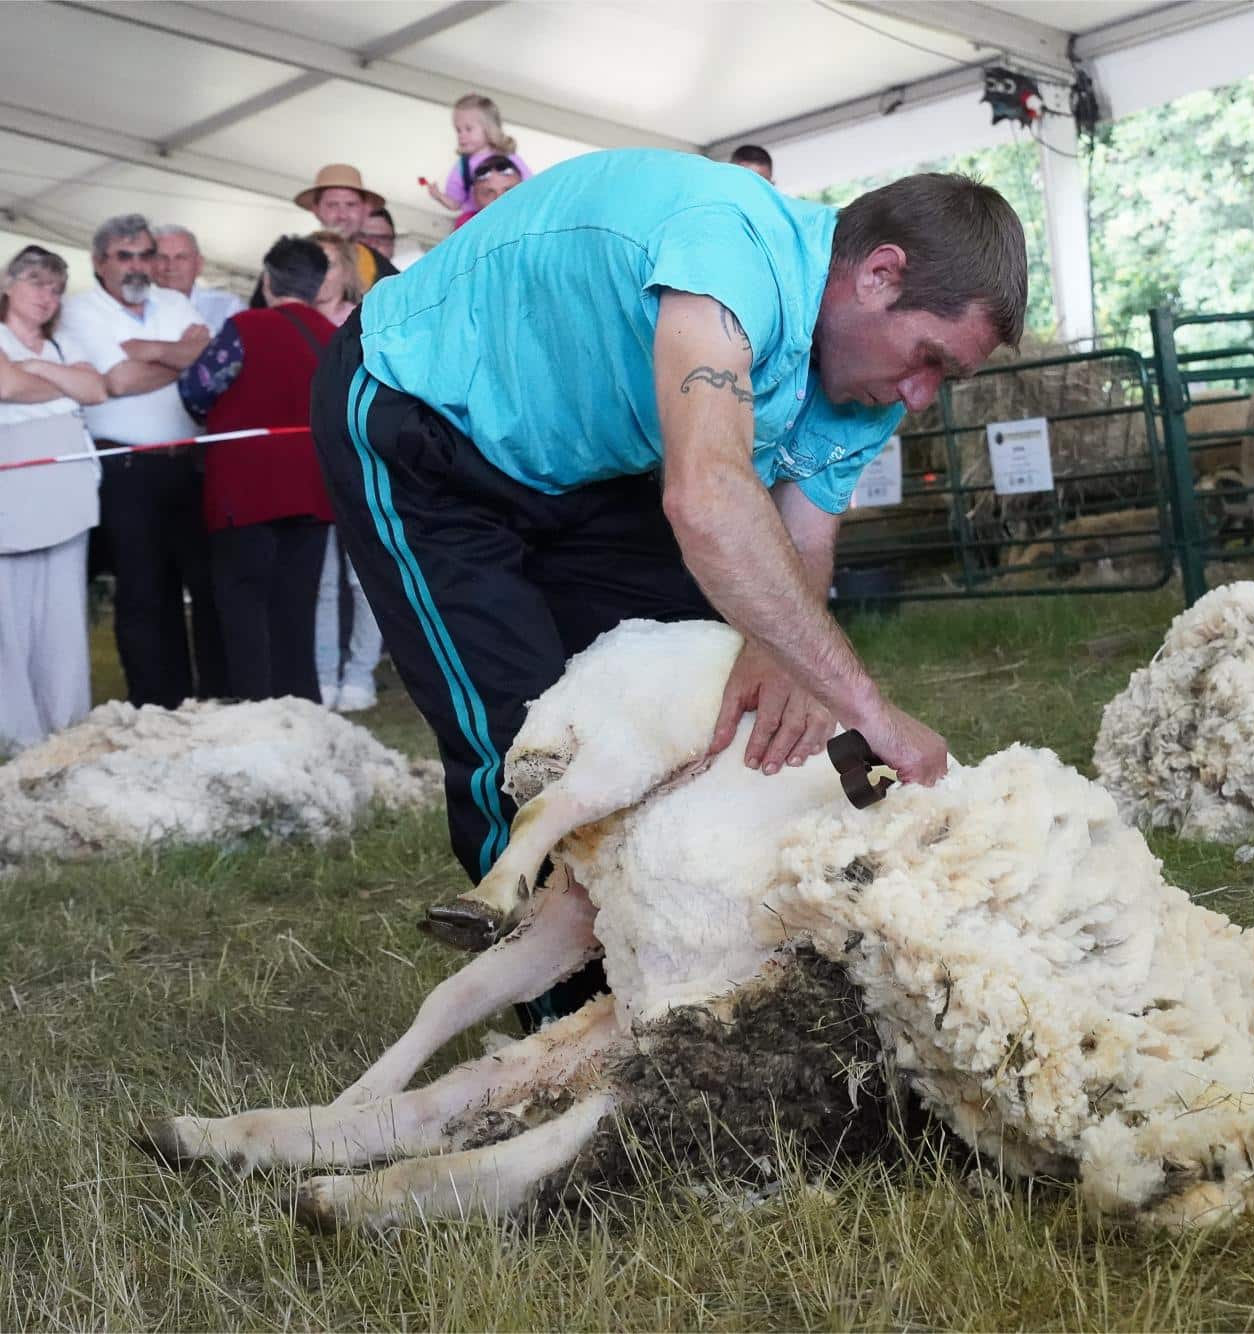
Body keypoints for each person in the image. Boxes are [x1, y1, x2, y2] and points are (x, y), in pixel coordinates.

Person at [308, 149, 1023, 1024]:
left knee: (682, 710)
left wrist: (778, 652)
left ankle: (676, 957)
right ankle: (566, 1023)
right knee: (526, 735)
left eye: (943, 378)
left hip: (592, 460)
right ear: (880, 275)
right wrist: (872, 715)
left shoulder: (863, 383)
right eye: (929, 360)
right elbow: (706, 494)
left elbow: (801, 538)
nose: (920, 398)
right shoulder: (731, 251)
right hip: (426, 418)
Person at [56, 213, 228, 709]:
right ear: (98, 262)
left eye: (144, 254)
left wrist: (149, 351)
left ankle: (217, 699)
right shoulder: (77, 311)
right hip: (125, 468)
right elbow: (116, 382)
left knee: (205, 585)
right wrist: (182, 355)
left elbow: (209, 355)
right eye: (123, 256)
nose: (137, 266)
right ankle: (157, 703)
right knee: (144, 590)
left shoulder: (173, 300)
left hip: (190, 463)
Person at [176, 238, 337, 702]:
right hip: (313, 489)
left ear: (266, 279)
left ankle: (253, 710)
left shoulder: (245, 327)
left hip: (245, 491)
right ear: (319, 285)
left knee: (244, 605)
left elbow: (196, 393)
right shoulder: (332, 337)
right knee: (296, 608)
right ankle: (301, 710)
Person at [0, 246, 107, 751]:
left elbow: (96, 389)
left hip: (66, 487)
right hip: (12, 483)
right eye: (38, 284)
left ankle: (64, 720)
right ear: (9, 284)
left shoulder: (64, 342)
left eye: (56, 288)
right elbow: (7, 383)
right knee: (9, 614)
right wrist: (60, 385)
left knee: (63, 611)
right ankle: (13, 729)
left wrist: (40, 377)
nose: (48, 297)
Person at [307, 230, 383, 710]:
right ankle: (321, 675)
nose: (322, 275)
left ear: (346, 271)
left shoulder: (367, 318)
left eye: (330, 264)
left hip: (359, 459)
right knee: (322, 579)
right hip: (308, 465)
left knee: (364, 576)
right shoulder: (291, 321)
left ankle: (360, 675)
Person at [427, 93, 533, 226]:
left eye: (468, 129)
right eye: (458, 130)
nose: (461, 135)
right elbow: (455, 204)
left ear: (489, 128)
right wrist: (439, 197)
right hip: (475, 220)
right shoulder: (463, 166)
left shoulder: (509, 157)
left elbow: (531, 188)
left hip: (509, 216)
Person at [297, 165, 399, 293]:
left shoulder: (382, 268)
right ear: (316, 209)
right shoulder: (293, 255)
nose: (342, 215)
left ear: (365, 209)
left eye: (351, 205)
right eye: (332, 205)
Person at [151, 225, 245, 333]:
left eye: (181, 257)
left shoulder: (228, 308)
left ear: (199, 265)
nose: (171, 266)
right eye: (161, 258)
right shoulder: (133, 308)